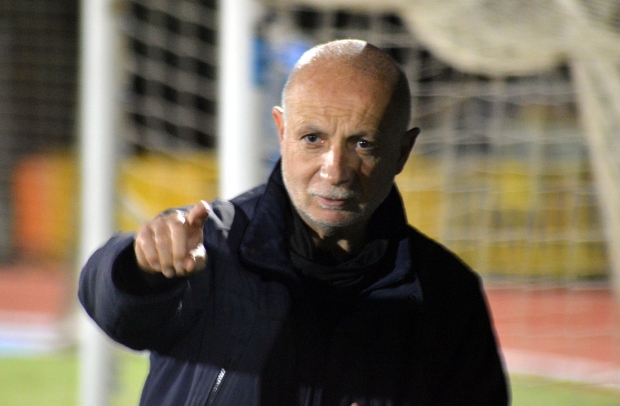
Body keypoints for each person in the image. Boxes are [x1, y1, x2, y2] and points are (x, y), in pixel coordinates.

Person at [79, 39, 509, 405]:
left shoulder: (448, 295)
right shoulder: (212, 246)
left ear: (402, 151)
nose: (335, 169)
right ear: (281, 132)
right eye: (312, 138)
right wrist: (140, 267)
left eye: (363, 144)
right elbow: (117, 311)